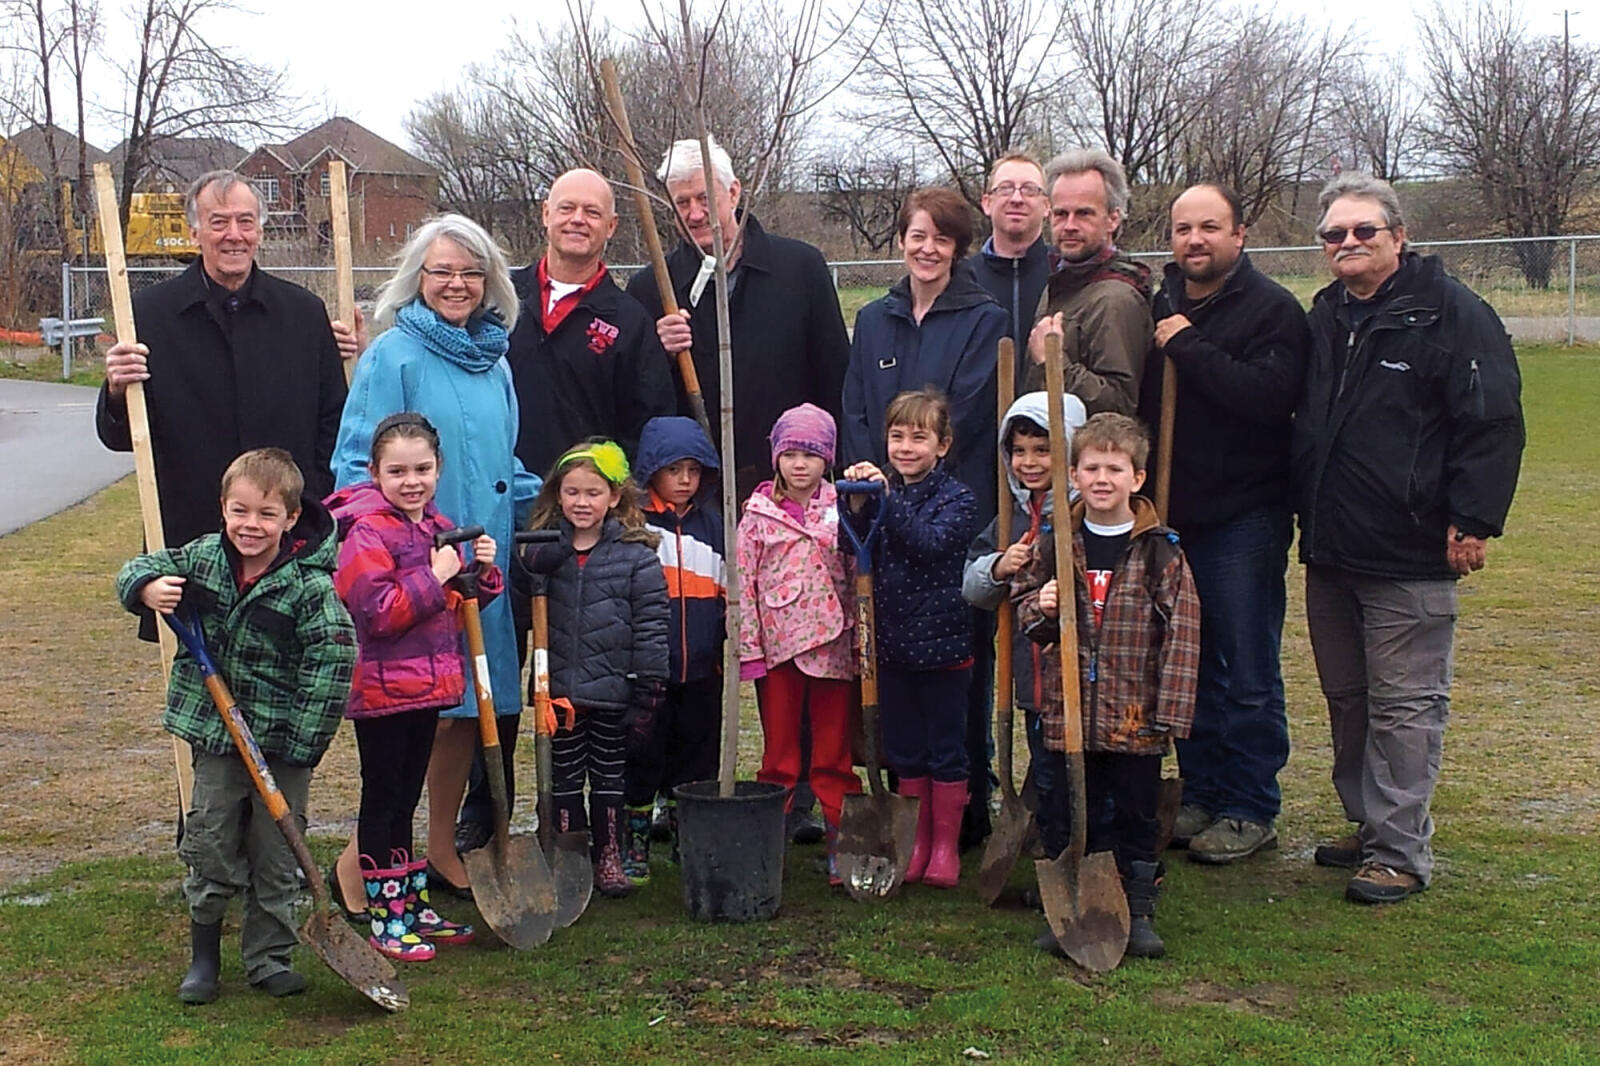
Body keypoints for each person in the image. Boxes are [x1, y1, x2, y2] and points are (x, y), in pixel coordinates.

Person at [1294, 174, 1524, 904]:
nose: (1349, 243)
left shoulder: (1453, 314)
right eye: (1335, 234)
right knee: (1349, 698)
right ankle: (1370, 822)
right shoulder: (1328, 315)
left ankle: (1400, 851)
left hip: (1412, 549)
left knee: (1406, 704)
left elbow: (1492, 420)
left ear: (1398, 235)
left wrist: (1474, 517)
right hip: (1333, 545)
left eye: (1364, 230)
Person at [328, 214, 540, 907]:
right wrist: (388, 544)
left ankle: (441, 845)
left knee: (469, 710)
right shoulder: (394, 356)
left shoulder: (495, 360)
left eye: (471, 272)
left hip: (480, 565)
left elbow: (503, 461)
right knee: (420, 718)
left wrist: (558, 503)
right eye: (442, 271)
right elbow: (356, 464)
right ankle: (361, 861)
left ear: (490, 281)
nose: (457, 284)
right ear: (417, 277)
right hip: (416, 572)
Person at [114, 448, 356, 1004]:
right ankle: (204, 957)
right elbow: (138, 567)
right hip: (217, 738)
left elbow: (334, 661)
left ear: (291, 518)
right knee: (211, 838)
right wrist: (145, 589)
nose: (251, 525)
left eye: (267, 514)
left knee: (278, 850)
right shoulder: (202, 558)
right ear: (223, 508)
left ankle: (269, 958)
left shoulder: (308, 585)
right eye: (240, 511)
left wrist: (301, 745)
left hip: (283, 744)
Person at [96, 170, 350, 641]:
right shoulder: (148, 315)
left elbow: (334, 422)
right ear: (194, 232)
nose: (234, 234)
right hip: (193, 536)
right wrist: (115, 389)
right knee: (197, 679)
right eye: (219, 222)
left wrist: (310, 502)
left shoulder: (303, 313)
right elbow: (121, 437)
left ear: (260, 230)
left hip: (287, 540)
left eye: (245, 221)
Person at [1142, 183, 1309, 864]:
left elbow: (1269, 398)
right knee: (1189, 665)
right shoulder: (1161, 301)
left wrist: (1189, 346)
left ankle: (1250, 805)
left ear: (1239, 235)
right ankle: (1203, 791)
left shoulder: (1272, 310)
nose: (1195, 240)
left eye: (1209, 227)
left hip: (1244, 517)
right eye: (1183, 228)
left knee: (1246, 669)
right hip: (1173, 517)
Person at [840, 185, 1008, 851]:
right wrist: (871, 481)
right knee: (893, 664)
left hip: (947, 515)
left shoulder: (983, 319)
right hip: (881, 518)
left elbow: (965, 412)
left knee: (955, 670)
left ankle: (964, 808)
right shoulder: (874, 319)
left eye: (941, 238)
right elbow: (856, 404)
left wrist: (911, 476)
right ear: (902, 241)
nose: (928, 249)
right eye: (918, 236)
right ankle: (906, 806)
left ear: (959, 247)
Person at [1013, 413, 1200, 960]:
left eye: (1115, 469)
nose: (1102, 479)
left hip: (1133, 713)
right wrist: (1041, 607)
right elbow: (1027, 610)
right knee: (1069, 810)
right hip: (1069, 709)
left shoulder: (1159, 550)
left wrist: (1171, 712)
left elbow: (1184, 631)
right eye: (1091, 468)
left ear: (1136, 478)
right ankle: (1073, 907)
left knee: (1136, 813)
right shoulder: (1058, 543)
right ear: (1073, 475)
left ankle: (1136, 910)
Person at [325, 414, 495, 960]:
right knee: (383, 800)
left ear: (438, 468)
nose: (411, 481)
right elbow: (379, 613)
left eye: (422, 469)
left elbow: (450, 608)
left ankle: (410, 904)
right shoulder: (365, 533)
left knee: (406, 800)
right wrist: (437, 574)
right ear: (374, 472)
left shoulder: (434, 526)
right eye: (397, 471)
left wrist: (480, 576)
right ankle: (385, 917)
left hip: (425, 686)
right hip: (381, 692)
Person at [626, 135, 851, 502]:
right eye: (682, 202)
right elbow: (641, 404)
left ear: (733, 193)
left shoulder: (800, 269)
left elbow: (836, 377)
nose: (695, 214)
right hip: (694, 492)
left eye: (705, 198)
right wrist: (658, 352)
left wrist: (837, 471)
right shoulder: (652, 288)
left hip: (790, 483)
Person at [516, 440, 670, 899]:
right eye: (572, 492)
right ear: (557, 494)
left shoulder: (636, 556)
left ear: (615, 497)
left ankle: (608, 854)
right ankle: (569, 856)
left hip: (612, 690)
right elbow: (520, 596)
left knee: (608, 777)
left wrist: (648, 688)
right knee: (562, 778)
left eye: (593, 493)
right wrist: (538, 563)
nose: (581, 502)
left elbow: (652, 625)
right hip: (559, 692)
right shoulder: (542, 552)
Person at [840, 388, 979, 888]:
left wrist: (885, 498)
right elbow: (850, 547)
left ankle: (944, 848)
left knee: (946, 749)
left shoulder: (958, 500)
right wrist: (857, 505)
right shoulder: (885, 494)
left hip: (944, 649)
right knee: (904, 750)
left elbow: (929, 544)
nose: (905, 447)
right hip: (891, 647)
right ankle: (916, 841)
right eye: (896, 436)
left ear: (942, 445)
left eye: (919, 438)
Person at [737, 403, 862, 883]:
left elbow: (857, 576)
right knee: (780, 756)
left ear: (827, 458)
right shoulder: (758, 516)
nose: (800, 465)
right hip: (779, 649)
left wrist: (860, 646)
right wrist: (750, 651)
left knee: (833, 754)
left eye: (810, 455)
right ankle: (769, 844)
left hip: (833, 646)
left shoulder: (843, 507)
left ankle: (842, 840)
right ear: (776, 458)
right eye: (790, 454)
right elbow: (744, 585)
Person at [963, 391, 1087, 876]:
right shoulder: (1010, 514)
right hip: (1032, 679)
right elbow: (972, 588)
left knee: (1083, 776)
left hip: (1083, 679)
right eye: (1018, 451)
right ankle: (1056, 855)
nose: (1029, 462)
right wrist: (998, 566)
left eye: (1043, 449)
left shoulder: (1085, 512)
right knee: (1049, 770)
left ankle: (1092, 854)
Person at [507, 167, 676, 476]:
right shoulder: (500, 299)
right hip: (500, 488)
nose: (578, 219)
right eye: (566, 208)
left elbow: (646, 428)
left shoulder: (631, 322)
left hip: (585, 497)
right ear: (546, 214)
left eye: (592, 212)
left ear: (611, 226)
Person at [623, 416, 726, 884]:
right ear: (651, 470)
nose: (685, 480)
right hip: (648, 670)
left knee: (697, 756)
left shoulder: (715, 524)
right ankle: (635, 839)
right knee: (642, 757)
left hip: (702, 668)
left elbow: (727, 589)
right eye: (673, 469)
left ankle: (689, 834)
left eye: (694, 470)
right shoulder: (634, 525)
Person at [1023, 149, 1152, 414]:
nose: (1069, 225)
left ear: (1113, 219)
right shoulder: (1061, 282)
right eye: (1061, 214)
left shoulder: (1115, 299)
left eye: (1084, 214)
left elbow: (1118, 407)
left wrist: (1053, 362)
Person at [967, 152, 1052, 357]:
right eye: (1005, 188)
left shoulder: (1066, 274)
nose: (1016, 199)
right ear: (987, 203)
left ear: (1046, 206)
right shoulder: (961, 278)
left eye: (1029, 190)